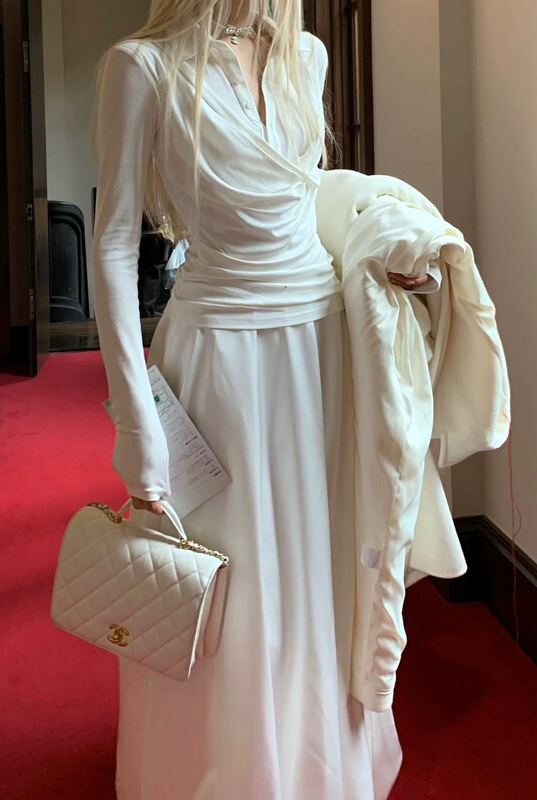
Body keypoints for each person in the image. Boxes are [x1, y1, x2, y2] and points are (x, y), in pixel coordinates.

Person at [92, 1, 435, 798]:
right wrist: (133, 416)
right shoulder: (141, 67)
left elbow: (308, 210)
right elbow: (112, 243)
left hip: (320, 354)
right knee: (228, 588)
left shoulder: (304, 56)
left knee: (320, 573)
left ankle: (314, 767)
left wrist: (381, 262)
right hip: (220, 361)